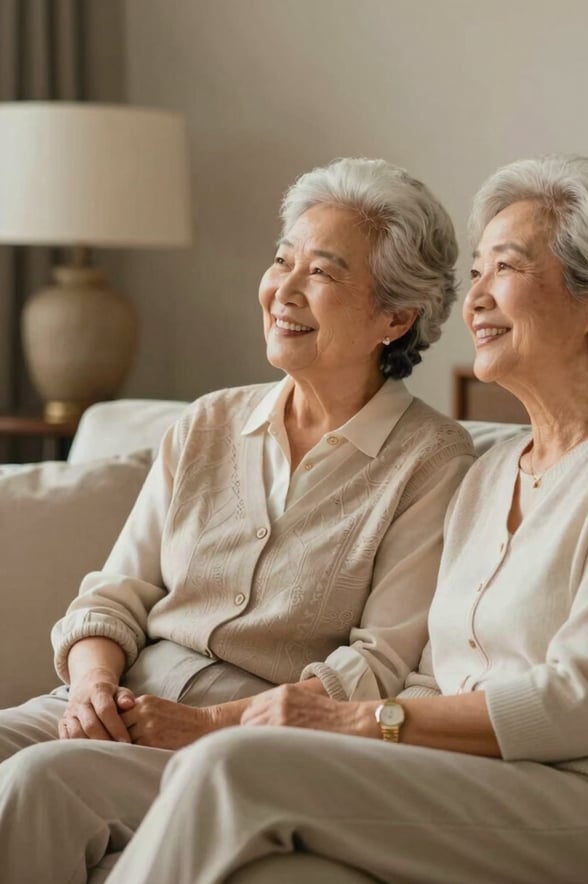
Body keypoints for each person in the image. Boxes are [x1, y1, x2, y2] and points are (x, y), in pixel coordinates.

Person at [105, 155, 588, 884]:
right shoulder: (492, 471)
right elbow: (434, 677)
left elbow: (581, 704)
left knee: (234, 768)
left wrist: (353, 723)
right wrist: (353, 735)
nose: (474, 300)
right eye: (473, 273)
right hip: (486, 784)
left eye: (503, 269)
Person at [0, 157, 476, 882]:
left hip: (248, 745)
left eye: (321, 272)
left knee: (43, 782)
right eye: (281, 260)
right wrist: (94, 688)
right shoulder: (210, 421)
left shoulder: (432, 461)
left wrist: (207, 727)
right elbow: (115, 593)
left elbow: (377, 666)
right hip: (114, 693)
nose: (283, 289)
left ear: (397, 316)